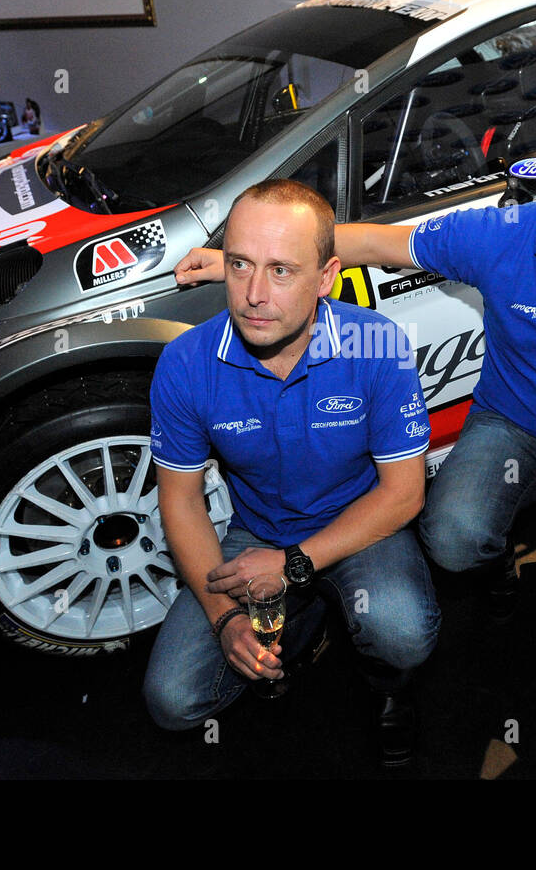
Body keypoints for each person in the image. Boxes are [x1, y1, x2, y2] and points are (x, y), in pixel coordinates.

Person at [176, 92, 536, 628]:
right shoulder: (500, 236)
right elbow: (377, 244)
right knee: (452, 540)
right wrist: (244, 258)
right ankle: (498, 565)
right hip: (508, 427)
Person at [145, 179, 440, 766]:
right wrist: (225, 618)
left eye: (281, 270)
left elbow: (404, 496)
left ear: (326, 277)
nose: (254, 293)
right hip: (257, 532)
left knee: (402, 631)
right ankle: (301, 622)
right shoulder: (185, 362)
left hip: (361, 524)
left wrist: (293, 564)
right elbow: (179, 500)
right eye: (240, 265)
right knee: (172, 701)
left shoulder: (376, 345)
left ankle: (384, 686)